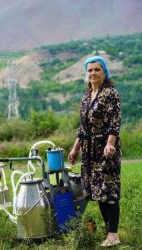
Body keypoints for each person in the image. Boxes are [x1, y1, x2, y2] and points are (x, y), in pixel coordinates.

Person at [68, 56, 122, 247]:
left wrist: (110, 144)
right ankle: (109, 233)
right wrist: (75, 149)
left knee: (110, 190)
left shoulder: (110, 93)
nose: (93, 73)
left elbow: (115, 122)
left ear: (104, 72)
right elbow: (82, 128)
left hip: (105, 149)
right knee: (98, 192)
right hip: (88, 151)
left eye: (96, 70)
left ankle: (114, 235)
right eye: (89, 70)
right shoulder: (87, 96)